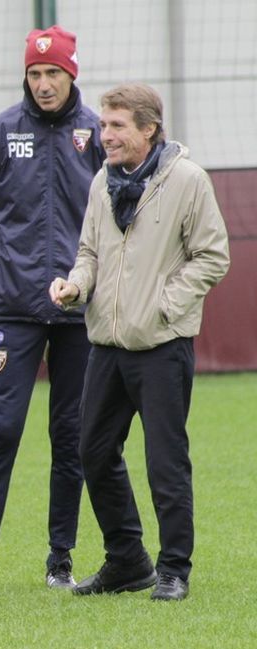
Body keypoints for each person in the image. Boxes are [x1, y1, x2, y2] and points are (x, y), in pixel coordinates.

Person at [49, 83, 230, 602]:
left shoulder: (188, 181)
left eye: (117, 126)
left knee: (165, 462)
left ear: (148, 129)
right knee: (94, 451)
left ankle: (174, 569)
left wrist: (166, 305)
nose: (104, 135)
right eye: (103, 125)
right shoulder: (101, 183)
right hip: (106, 345)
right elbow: (89, 253)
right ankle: (127, 560)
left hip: (162, 346)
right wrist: (76, 284)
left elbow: (213, 257)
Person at [0, 26, 106, 597]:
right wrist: (19, 266)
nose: (43, 84)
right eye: (35, 74)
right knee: (3, 430)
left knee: (72, 435)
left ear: (71, 74)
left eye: (53, 74)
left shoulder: (97, 134)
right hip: (14, 308)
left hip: (81, 310)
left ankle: (60, 560)